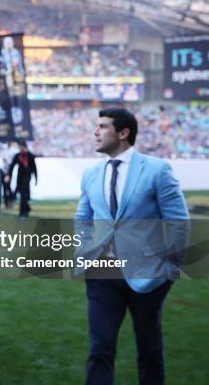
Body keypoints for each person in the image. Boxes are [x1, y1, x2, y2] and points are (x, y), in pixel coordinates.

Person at [75, 108, 189, 385]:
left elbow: (178, 220)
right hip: (102, 274)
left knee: (150, 352)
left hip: (148, 276)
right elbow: (82, 218)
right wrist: (84, 253)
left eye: (102, 126)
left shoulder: (157, 169)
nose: (95, 132)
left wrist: (170, 267)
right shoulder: (91, 173)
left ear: (123, 133)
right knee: (99, 350)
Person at [6, 140, 37, 217]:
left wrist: (36, 178)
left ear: (25, 147)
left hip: (27, 177)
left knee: (24, 194)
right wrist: (8, 175)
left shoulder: (30, 156)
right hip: (19, 177)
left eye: (21, 147)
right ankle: (26, 209)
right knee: (21, 192)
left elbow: (34, 168)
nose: (20, 148)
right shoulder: (17, 156)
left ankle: (22, 212)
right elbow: (12, 166)